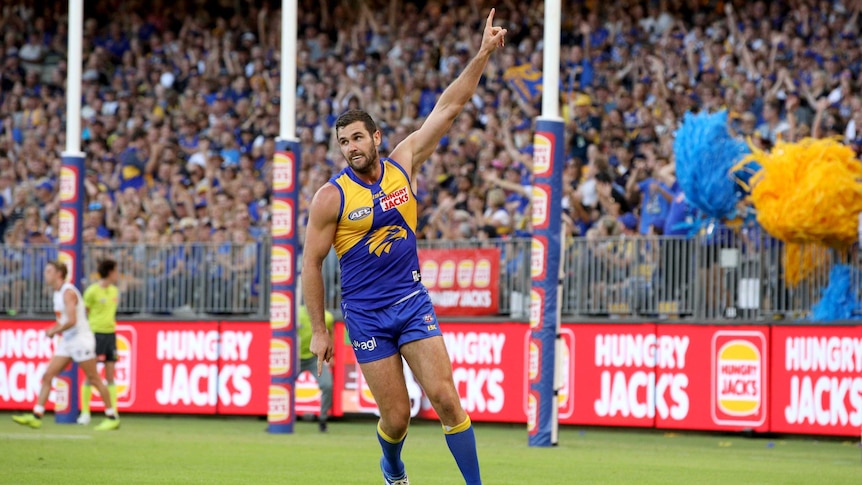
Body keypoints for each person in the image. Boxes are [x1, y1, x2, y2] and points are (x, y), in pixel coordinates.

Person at [302, 9, 506, 485]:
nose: (351, 147)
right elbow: (311, 263)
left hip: (411, 303)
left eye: (357, 138)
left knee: (446, 399)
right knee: (397, 419)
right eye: (342, 142)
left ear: (375, 137)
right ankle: (392, 467)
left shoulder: (403, 162)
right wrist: (319, 329)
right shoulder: (330, 197)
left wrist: (480, 56)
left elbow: (449, 108)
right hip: (366, 314)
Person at [12, 261, 120, 430]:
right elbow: (64, 319)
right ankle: (37, 415)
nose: (45, 274)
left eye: (49, 271)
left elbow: (71, 320)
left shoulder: (68, 292)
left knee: (94, 379)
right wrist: (56, 328)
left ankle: (111, 416)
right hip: (69, 341)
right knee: (48, 375)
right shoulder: (57, 293)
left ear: (59, 274)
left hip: (80, 340)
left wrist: (54, 330)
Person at [78, 259, 120, 425]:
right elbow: (85, 312)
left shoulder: (114, 291)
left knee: (110, 374)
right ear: (110, 272)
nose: (117, 274)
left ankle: (113, 412)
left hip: (110, 335)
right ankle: (85, 413)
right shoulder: (92, 291)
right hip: (95, 334)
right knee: (91, 374)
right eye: (116, 271)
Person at [297, 304, 334, 432]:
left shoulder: (328, 317)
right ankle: (280, 419)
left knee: (327, 385)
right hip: (295, 359)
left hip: (314, 359)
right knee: (281, 385)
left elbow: (331, 335)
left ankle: (323, 420)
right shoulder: (296, 314)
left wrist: (331, 354)